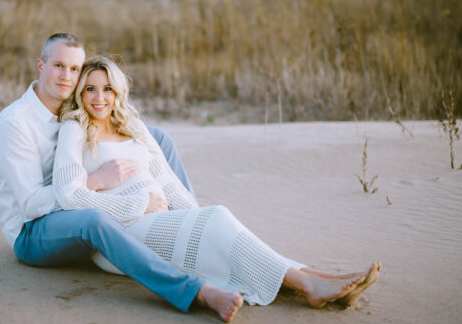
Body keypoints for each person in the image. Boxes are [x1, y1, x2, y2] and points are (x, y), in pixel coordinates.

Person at [53, 56, 381, 309]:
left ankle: (319, 278)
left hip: (158, 220)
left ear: (118, 92)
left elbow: (166, 182)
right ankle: (309, 285)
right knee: (219, 220)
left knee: (218, 224)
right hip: (121, 235)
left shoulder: (134, 126)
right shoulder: (75, 129)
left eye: (107, 88)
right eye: (91, 88)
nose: (99, 97)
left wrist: (195, 216)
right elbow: (69, 195)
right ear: (80, 93)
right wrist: (137, 204)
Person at [0, 33, 244, 322]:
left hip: (72, 203)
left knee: (157, 139)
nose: (67, 77)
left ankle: (192, 229)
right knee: (94, 219)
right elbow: (32, 204)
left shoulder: (70, 108)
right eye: (58, 66)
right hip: (34, 231)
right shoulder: (16, 125)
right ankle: (194, 290)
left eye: (74, 69)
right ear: (40, 65)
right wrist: (92, 181)